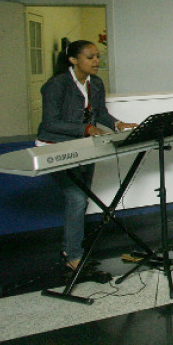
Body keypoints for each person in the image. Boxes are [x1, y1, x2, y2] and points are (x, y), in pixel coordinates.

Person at [37, 40, 137, 272]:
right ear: (73, 60)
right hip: (55, 147)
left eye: (97, 56)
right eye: (90, 57)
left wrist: (118, 124)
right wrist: (86, 129)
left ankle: (71, 247)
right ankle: (72, 253)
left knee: (81, 198)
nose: (96, 61)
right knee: (77, 198)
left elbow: (100, 112)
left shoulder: (96, 83)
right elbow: (50, 122)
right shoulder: (57, 85)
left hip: (84, 146)